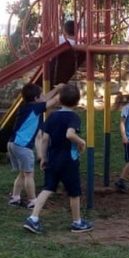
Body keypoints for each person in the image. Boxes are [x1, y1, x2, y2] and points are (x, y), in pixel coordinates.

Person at [23, 84, 93, 234]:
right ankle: (77, 222)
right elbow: (70, 134)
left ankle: (33, 218)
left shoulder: (52, 116)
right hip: (69, 161)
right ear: (77, 102)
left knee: (48, 188)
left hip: (52, 159)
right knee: (74, 192)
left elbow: (44, 139)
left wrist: (43, 157)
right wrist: (81, 142)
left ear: (59, 99)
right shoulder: (74, 117)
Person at [7, 82, 64, 208]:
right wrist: (62, 89)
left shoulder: (27, 106)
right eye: (41, 95)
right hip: (22, 146)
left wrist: (55, 90)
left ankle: (15, 198)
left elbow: (45, 99)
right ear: (36, 98)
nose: (44, 96)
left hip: (13, 143)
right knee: (29, 174)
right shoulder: (35, 108)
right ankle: (33, 201)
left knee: (23, 173)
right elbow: (54, 101)